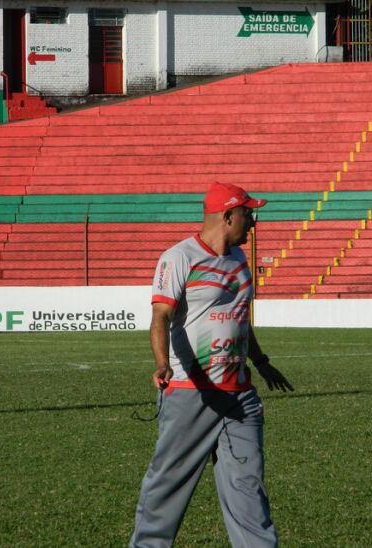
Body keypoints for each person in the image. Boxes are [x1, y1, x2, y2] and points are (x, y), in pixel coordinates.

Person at [130, 182, 294, 548]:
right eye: (248, 214)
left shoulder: (238, 258)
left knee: (248, 487)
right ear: (228, 216)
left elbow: (238, 318)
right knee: (167, 488)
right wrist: (161, 364)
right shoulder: (179, 257)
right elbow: (160, 317)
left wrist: (261, 361)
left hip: (239, 395)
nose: (252, 222)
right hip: (193, 393)